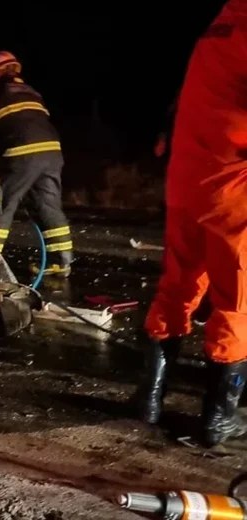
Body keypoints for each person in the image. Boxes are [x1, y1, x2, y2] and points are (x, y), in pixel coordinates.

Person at [133, 0, 247, 447]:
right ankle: (219, 420)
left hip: (187, 179)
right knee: (235, 302)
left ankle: (148, 400)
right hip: (231, 188)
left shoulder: (219, 27)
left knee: (178, 286)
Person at [0, 51, 73, 277]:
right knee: (49, 206)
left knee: (3, 206)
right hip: (52, 153)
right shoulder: (31, 91)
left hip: (22, 154)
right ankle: (61, 262)